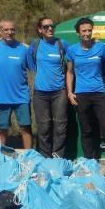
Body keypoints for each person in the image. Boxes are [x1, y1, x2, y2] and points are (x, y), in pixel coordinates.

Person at [66, 17, 105, 169]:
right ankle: (90, 163)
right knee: (86, 130)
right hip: (81, 94)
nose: (87, 33)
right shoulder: (72, 50)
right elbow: (70, 73)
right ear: (78, 33)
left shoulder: (101, 47)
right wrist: (70, 93)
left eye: (89, 30)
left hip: (99, 93)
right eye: (84, 30)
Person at [0, 18, 33, 149]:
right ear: (0, 31)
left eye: (12, 29)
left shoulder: (23, 49)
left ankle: (29, 157)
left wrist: (32, 49)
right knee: (1, 129)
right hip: (1, 97)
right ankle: (0, 157)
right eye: (6, 29)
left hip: (21, 96)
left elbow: (34, 67)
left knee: (25, 128)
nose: (9, 32)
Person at [26, 16, 70, 158]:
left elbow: (73, 59)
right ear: (40, 30)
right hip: (40, 93)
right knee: (43, 127)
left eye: (52, 26)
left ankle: (58, 157)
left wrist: (94, 42)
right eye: (46, 27)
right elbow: (30, 63)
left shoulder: (61, 44)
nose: (50, 28)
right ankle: (45, 157)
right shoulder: (35, 44)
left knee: (60, 127)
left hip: (59, 92)